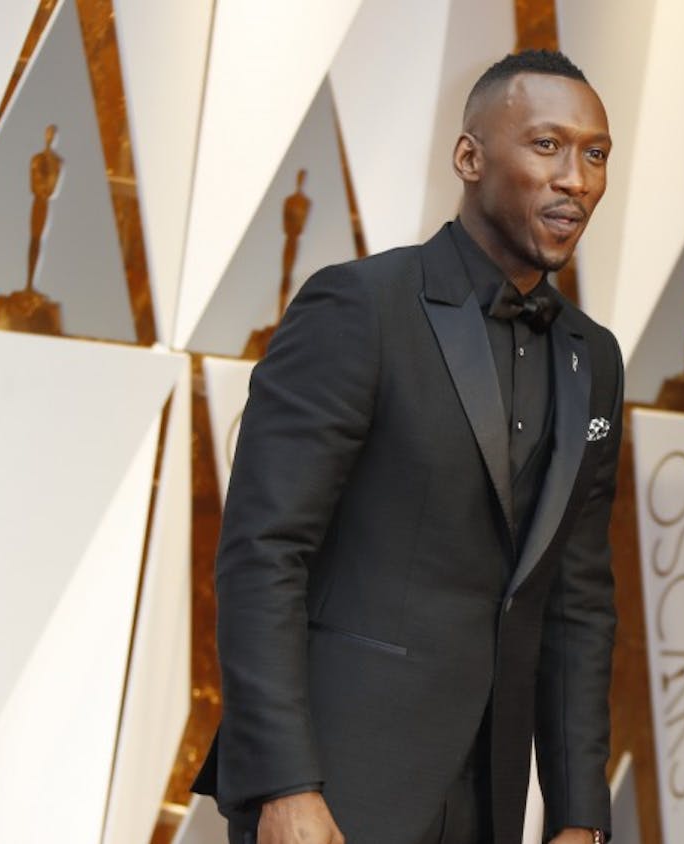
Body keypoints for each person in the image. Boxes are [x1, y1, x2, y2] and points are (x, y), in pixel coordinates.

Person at [192, 50, 622, 844]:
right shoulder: (360, 307)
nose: (577, 179)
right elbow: (264, 553)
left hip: (491, 799)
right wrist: (285, 785)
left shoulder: (591, 358)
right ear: (470, 156)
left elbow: (578, 604)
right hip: (338, 788)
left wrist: (578, 816)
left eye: (595, 154)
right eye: (547, 145)